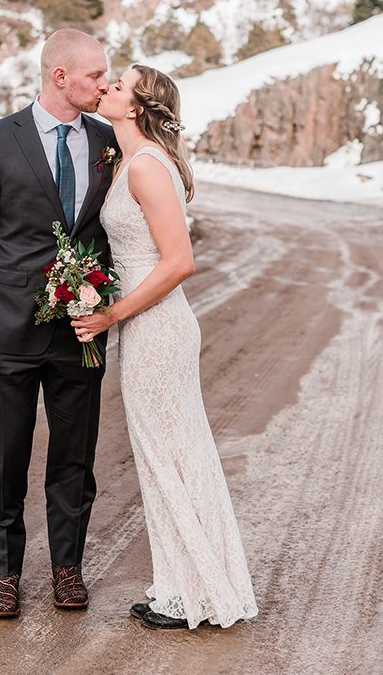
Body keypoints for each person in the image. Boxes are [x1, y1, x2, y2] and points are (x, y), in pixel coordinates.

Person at [72, 63, 258, 629]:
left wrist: (111, 314)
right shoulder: (132, 158)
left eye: (118, 86)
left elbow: (180, 261)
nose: (105, 88)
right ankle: (184, 585)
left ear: (134, 108)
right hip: (148, 325)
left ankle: (192, 593)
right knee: (170, 455)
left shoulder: (148, 167)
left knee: (166, 455)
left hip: (156, 326)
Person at [0, 27, 116, 618]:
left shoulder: (108, 141)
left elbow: (110, 230)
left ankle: (67, 569)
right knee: (7, 458)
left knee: (75, 458)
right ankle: (5, 574)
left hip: (80, 330)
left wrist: (106, 301)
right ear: (59, 76)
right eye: (96, 74)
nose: (105, 83)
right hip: (7, 331)